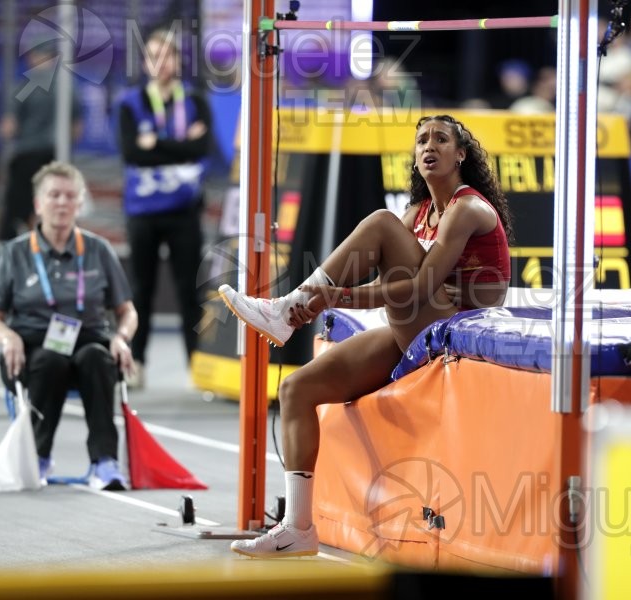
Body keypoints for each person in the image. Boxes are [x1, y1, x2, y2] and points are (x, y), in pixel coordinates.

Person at [219, 114, 513, 557]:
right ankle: (298, 530)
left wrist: (335, 297)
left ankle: (288, 308)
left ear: (461, 155)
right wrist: (334, 296)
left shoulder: (467, 208)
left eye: (440, 139)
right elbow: (410, 290)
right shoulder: (418, 213)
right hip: (421, 326)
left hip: (455, 327)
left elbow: (418, 288)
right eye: (421, 141)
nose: (428, 146)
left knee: (378, 223)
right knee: (298, 389)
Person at [0, 161, 138, 491]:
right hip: (33, 346)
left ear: (80, 203)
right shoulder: (15, 253)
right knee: (50, 361)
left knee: (97, 357)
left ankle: (105, 462)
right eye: (54, 195)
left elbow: (127, 311)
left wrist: (122, 338)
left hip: (88, 342)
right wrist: (8, 337)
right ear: (39, 203)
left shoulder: (98, 250)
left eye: (70, 196)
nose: (62, 203)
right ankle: (37, 457)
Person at [117, 27, 211, 389]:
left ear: (177, 61)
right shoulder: (130, 103)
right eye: (153, 56)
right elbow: (131, 153)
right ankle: (136, 361)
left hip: (184, 211)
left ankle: (197, 364)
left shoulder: (195, 101)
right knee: (141, 289)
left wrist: (155, 143)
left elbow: (201, 150)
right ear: (145, 63)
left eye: (167, 56)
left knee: (190, 289)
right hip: (142, 212)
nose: (160, 63)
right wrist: (177, 145)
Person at [0, 43, 83, 240]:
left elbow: (9, 127)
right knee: (60, 206)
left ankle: (9, 255)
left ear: (33, 57)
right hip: (57, 156)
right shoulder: (67, 87)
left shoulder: (26, 85)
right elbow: (76, 129)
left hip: (27, 156)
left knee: (16, 211)